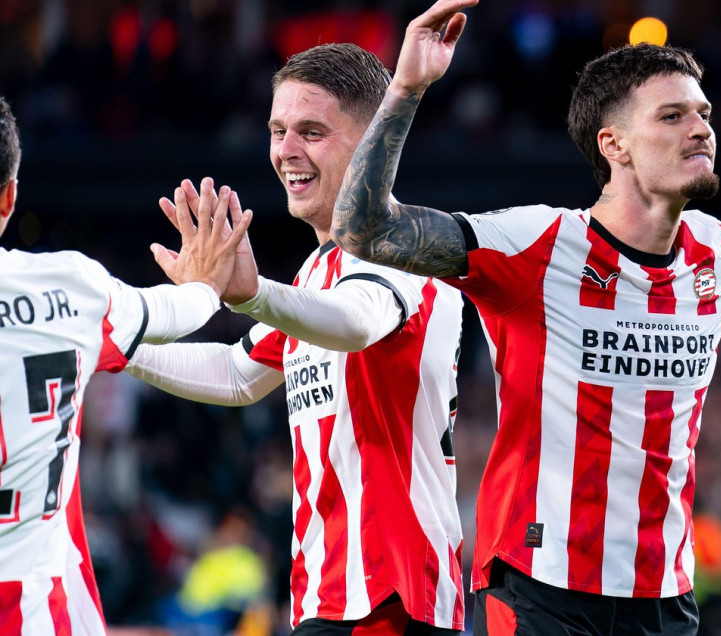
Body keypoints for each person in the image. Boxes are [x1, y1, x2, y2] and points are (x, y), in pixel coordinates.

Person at [329, 0, 721, 633]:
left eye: (703, 114)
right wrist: (407, 87)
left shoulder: (716, 251)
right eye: (672, 116)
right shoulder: (537, 243)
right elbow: (364, 229)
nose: (700, 129)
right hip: (541, 584)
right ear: (612, 143)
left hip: (662, 591)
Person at [124, 43, 466, 635]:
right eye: (277, 131)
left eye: (311, 131)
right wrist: (109, 336)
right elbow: (237, 374)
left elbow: (357, 323)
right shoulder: (315, 275)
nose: (285, 150)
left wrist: (253, 294)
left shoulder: (404, 243)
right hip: (328, 594)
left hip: (392, 593)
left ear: (371, 143)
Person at [0, 95, 249, 635]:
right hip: (38, 614)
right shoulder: (69, 289)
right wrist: (207, 284)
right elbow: (179, 311)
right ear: (9, 198)